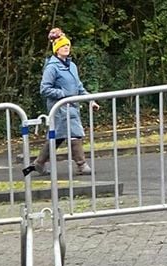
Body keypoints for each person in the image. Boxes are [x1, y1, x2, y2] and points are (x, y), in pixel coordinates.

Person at [24, 28, 99, 177]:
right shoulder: (51, 68)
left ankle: (38, 163)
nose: (66, 48)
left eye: (68, 45)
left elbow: (79, 87)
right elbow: (44, 89)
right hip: (59, 108)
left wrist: (90, 100)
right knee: (74, 134)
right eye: (62, 46)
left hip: (72, 106)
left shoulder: (72, 66)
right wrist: (63, 94)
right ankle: (81, 165)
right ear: (56, 49)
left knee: (58, 137)